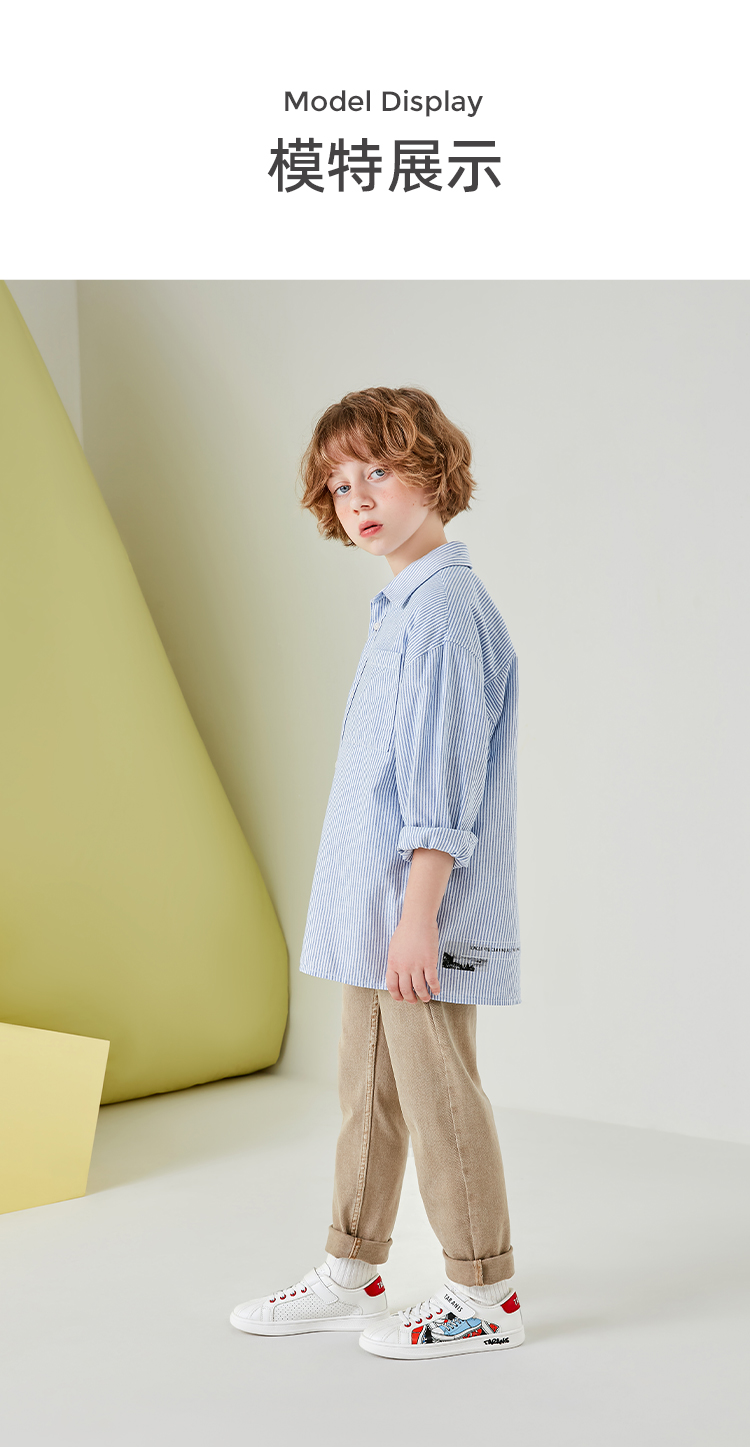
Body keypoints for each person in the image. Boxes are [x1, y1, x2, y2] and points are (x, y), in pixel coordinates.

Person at [230, 386, 524, 1361]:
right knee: (370, 1091)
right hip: (376, 909)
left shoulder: (444, 609)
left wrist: (417, 917)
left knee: (439, 1093)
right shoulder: (402, 604)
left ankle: (484, 1293)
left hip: (415, 913)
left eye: (379, 471)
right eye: (339, 482)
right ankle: (352, 1271)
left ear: (433, 470)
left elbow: (444, 780)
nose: (356, 497)